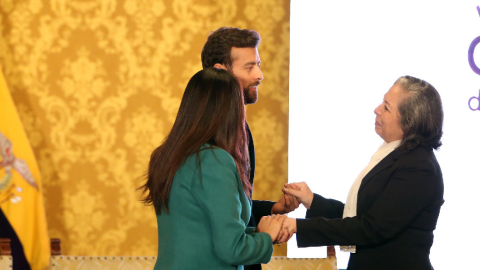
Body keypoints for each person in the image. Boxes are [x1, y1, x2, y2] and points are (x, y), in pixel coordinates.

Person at [281, 76, 444, 270]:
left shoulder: (418, 167)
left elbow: (372, 227)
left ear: (409, 121)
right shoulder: (395, 154)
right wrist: (313, 201)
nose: (377, 109)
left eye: (386, 106)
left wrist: (298, 226)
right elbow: (361, 215)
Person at [140, 68, 289, 270]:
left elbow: (204, 233)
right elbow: (232, 250)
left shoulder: (167, 156)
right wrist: (266, 237)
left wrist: (260, 234)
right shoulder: (214, 160)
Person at [201, 26, 299, 229]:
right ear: (221, 70)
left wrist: (274, 209)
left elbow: (232, 208)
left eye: (258, 65)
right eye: (249, 67)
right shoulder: (208, 135)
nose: (259, 75)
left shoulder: (239, 126)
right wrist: (263, 237)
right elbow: (216, 221)